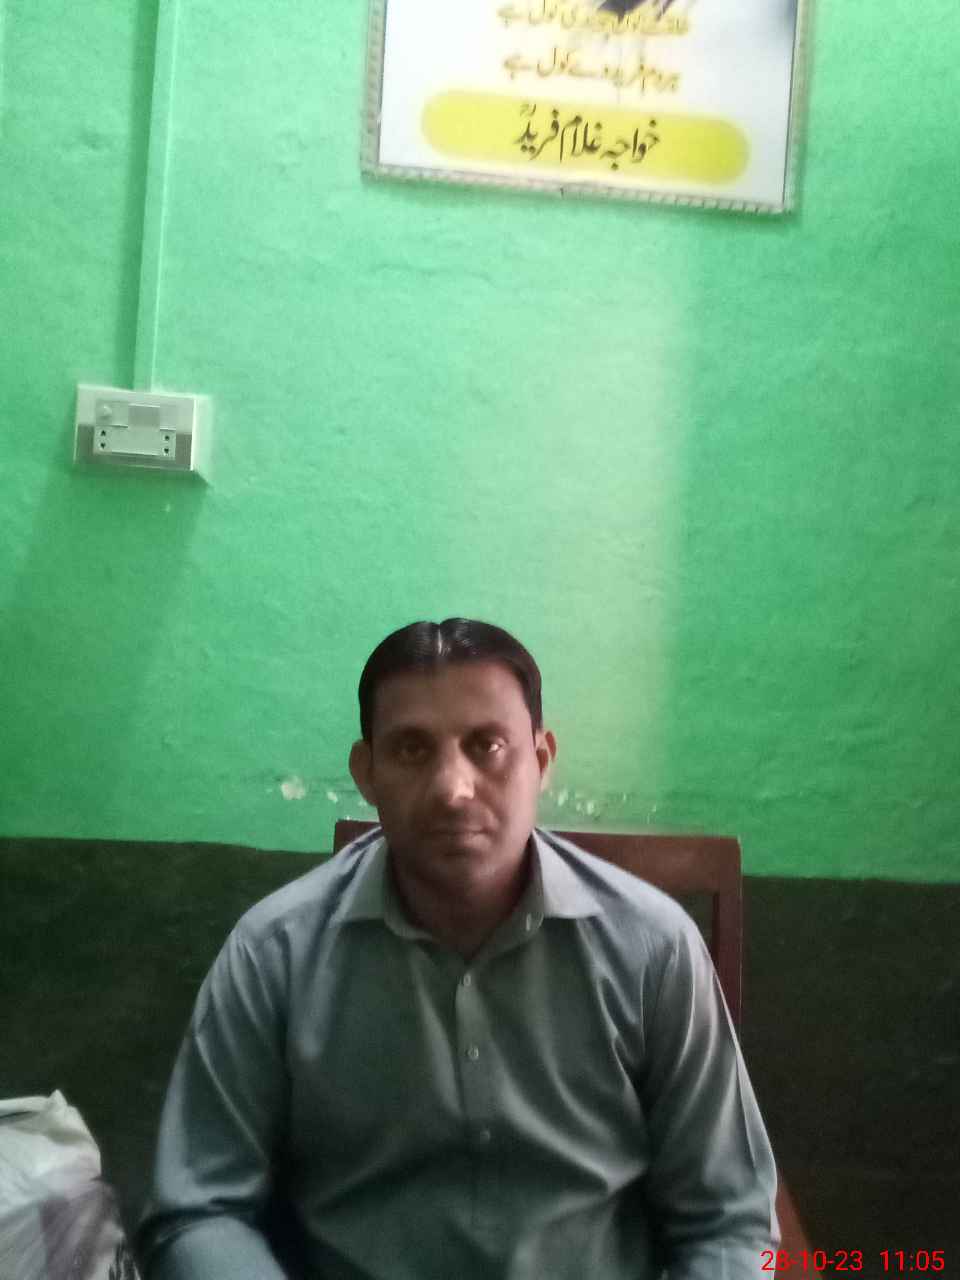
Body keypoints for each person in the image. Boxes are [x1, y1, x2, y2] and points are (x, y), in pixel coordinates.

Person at [135, 618, 780, 1279]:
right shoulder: (274, 955)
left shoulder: (652, 948)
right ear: (367, 773)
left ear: (542, 761)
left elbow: (729, 1219)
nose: (452, 789)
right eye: (412, 749)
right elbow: (200, 1209)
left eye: (487, 746)